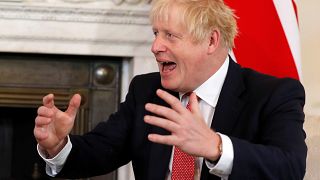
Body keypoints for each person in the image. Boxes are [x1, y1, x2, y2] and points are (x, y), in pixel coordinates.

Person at [34, 0, 307, 179]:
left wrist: (216, 146)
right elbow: (101, 151)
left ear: (211, 41)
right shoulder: (146, 90)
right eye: (156, 34)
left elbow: (290, 168)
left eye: (170, 36)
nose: (155, 47)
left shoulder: (273, 94)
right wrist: (58, 145)